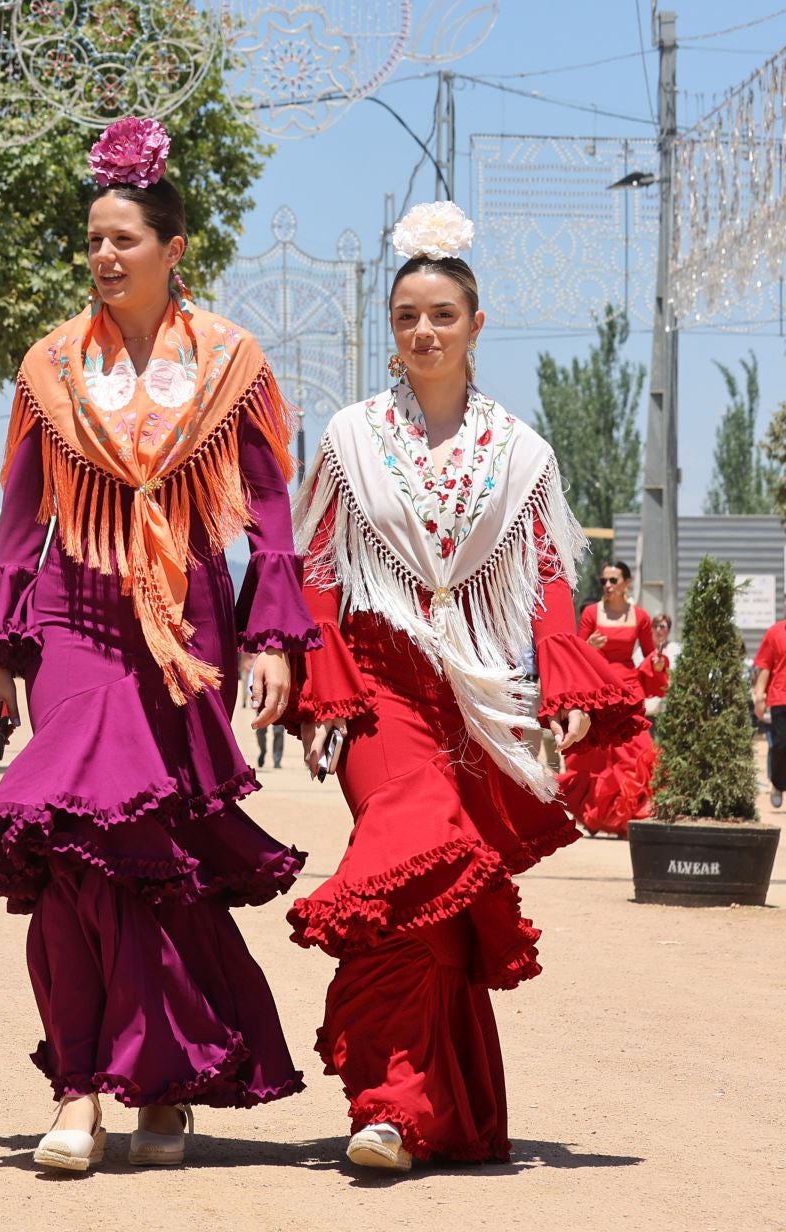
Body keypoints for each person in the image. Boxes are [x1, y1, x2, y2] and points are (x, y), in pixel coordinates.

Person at [0, 118, 312, 1174]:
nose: (105, 256)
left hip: (191, 628)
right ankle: (78, 1089)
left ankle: (162, 1079)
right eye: (93, 240)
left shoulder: (232, 362)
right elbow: (22, 519)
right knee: (74, 845)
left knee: (163, 861)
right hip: (75, 614)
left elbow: (270, 505)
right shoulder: (51, 366)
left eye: (125, 238)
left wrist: (273, 639)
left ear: (173, 247)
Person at [289, 202, 639, 1171]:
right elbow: (316, 564)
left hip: (478, 698)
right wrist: (321, 684)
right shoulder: (351, 436)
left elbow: (548, 574)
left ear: (475, 325)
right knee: (412, 853)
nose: (423, 331)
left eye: (442, 313)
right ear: (391, 329)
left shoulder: (521, 452)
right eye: (407, 315)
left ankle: (429, 1108)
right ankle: (391, 1100)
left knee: (440, 894)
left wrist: (565, 677)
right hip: (378, 683)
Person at [556, 560, 663, 836]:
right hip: (599, 689)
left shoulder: (640, 616)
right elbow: (575, 650)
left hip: (628, 690)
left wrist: (660, 665)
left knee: (636, 752)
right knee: (595, 757)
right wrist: (588, 646)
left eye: (613, 581)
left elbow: (651, 655)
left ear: (627, 583)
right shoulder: (591, 613)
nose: (607, 586)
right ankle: (597, 815)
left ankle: (628, 817)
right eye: (604, 581)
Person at [751, 615, 786, 808]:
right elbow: (765, 666)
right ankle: (778, 784)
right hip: (781, 698)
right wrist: (759, 697)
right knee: (781, 745)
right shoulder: (776, 632)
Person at [243, 652, 285, 768]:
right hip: (262, 700)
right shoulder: (259, 661)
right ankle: (263, 751)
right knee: (261, 730)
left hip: (278, 699)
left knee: (278, 731)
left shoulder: (282, 657)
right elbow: (251, 682)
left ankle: (277, 760)